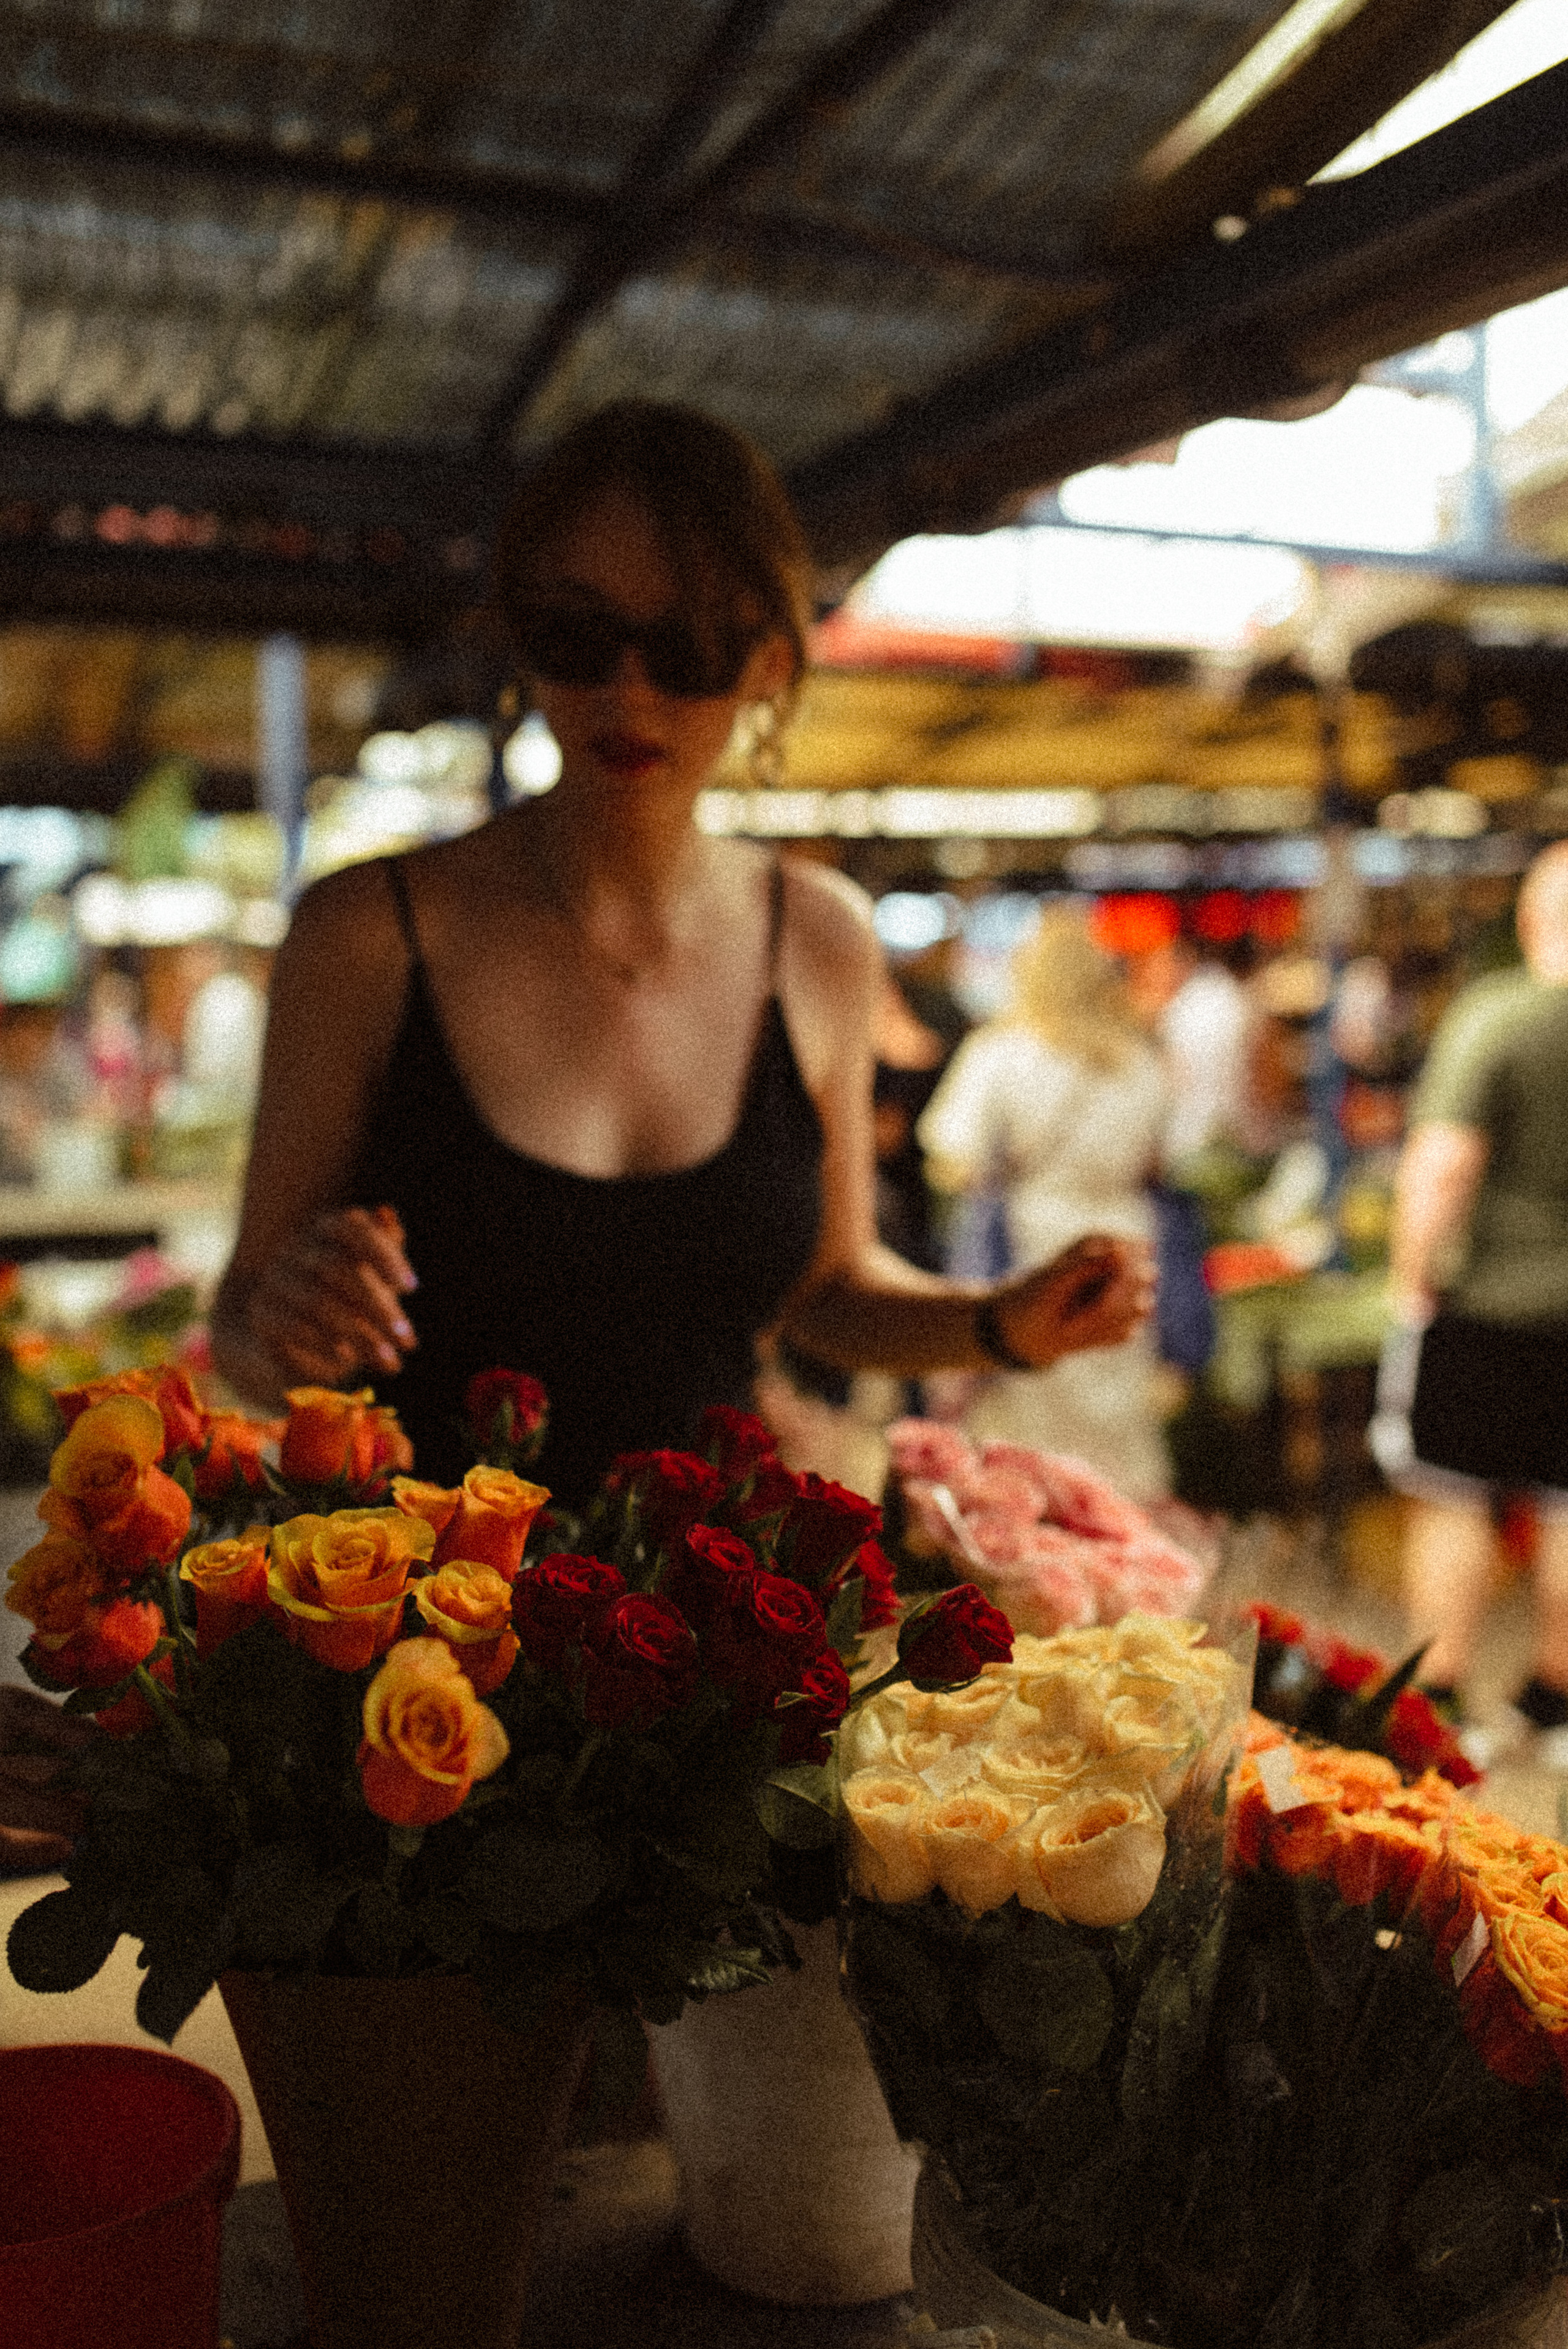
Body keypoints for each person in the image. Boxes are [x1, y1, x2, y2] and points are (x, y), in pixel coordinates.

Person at [202, 402, 1149, 1512]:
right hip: (410, 1638)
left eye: (688, 645)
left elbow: (829, 1288)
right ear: (519, 633)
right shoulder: (367, 934)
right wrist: (284, 1326)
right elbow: (238, 1327)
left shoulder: (821, 940)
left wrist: (999, 1320)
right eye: (578, 634)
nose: (629, 689)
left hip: (706, 1632)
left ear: (768, 662)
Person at [1375, 842, 1568, 1758]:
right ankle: (1557, 1700)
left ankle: (1441, 1695)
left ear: (1533, 920)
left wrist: (1411, 1276)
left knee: (1454, 1497)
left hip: (1492, 1304)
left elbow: (1444, 1159)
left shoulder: (1498, 1018)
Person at [917, 901, 1171, 1501]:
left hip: (1030, 1243)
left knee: (1030, 1413)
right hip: (1124, 1238)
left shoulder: (1000, 1053)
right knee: (1115, 1416)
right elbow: (1161, 1161)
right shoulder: (1140, 1059)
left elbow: (952, 1156)